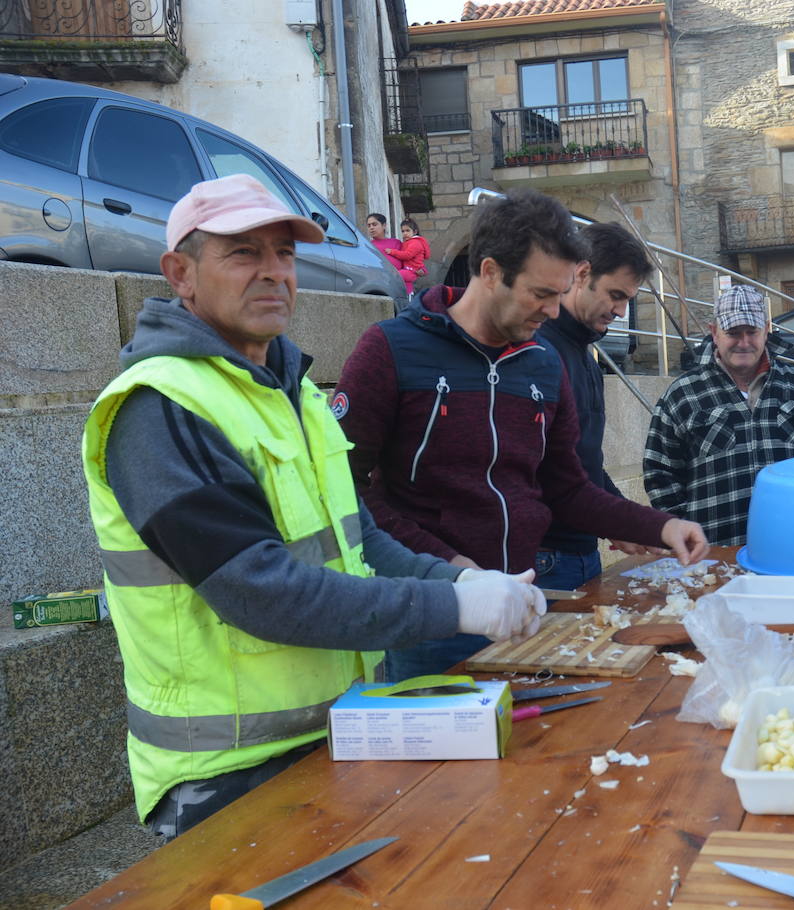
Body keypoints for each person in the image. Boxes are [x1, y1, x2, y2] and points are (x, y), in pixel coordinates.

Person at [80, 174, 544, 838]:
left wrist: (460, 578)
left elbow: (359, 541)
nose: (274, 273)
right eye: (244, 253)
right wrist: (456, 607)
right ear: (179, 273)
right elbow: (259, 591)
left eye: (285, 254)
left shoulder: (291, 392)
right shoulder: (161, 406)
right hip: (225, 775)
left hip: (337, 732)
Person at [335, 188, 708, 680]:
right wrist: (451, 566)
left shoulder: (543, 363)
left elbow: (567, 488)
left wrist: (657, 525)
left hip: (523, 610)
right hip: (430, 618)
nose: (553, 312)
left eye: (559, 294)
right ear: (490, 272)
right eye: (541, 294)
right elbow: (345, 490)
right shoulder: (390, 349)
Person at [643, 285, 794, 546]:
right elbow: (660, 471)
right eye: (733, 333)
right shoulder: (682, 395)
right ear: (714, 332)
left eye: (752, 332)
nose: (744, 342)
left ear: (767, 329)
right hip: (713, 557)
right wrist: (683, 531)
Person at [535, 221, 662, 589]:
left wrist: (625, 519)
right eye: (616, 295)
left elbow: (584, 464)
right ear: (582, 273)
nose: (621, 312)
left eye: (628, 300)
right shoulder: (542, 351)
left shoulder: (584, 356)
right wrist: (624, 520)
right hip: (547, 555)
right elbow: (544, 473)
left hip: (576, 549)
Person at [384, 218, 430, 296]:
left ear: (415, 232)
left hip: (412, 271)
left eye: (407, 230)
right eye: (403, 231)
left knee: (396, 276)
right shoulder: (408, 242)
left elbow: (407, 255)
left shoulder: (415, 243)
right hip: (410, 270)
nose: (405, 233)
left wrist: (392, 251)